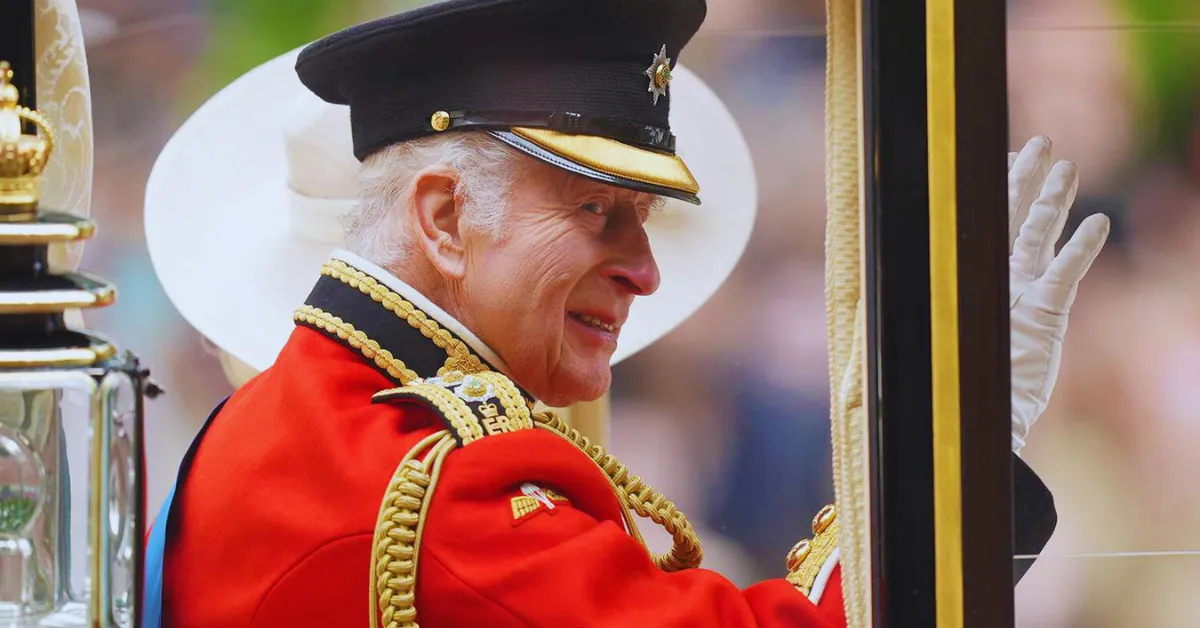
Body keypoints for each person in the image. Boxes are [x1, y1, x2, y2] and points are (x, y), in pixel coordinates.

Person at [139, 0, 1110, 626]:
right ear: (442, 218)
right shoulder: (438, 496)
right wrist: (968, 448)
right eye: (597, 211)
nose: (645, 272)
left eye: (641, 219)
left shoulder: (311, 418)